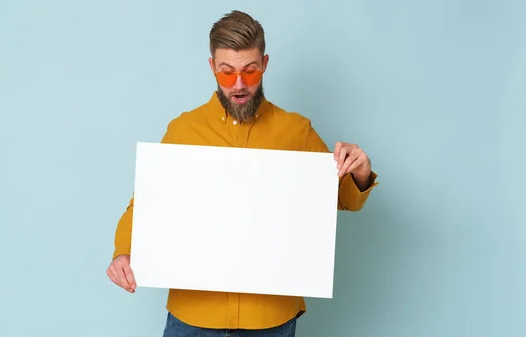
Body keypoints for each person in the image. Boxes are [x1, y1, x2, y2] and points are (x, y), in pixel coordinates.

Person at [106, 9, 378, 337]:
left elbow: (342, 199)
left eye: (250, 71)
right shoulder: (183, 130)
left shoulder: (296, 131)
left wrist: (361, 171)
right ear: (212, 68)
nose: (239, 84)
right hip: (193, 317)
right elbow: (146, 205)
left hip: (270, 319)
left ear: (264, 64)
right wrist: (124, 251)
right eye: (227, 72)